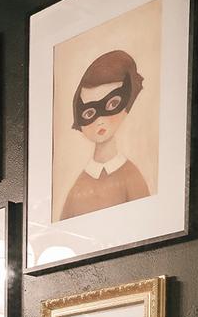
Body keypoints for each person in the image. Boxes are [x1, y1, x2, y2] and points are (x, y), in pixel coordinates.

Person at [59, 49, 150, 220]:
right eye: (89, 113)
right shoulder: (77, 188)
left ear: (126, 105)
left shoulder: (131, 177)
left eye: (112, 104)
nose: (100, 120)